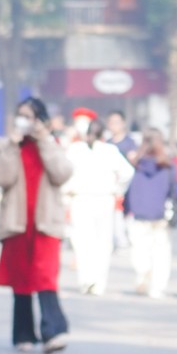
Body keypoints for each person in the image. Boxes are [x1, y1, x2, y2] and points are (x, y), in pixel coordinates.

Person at [0, 97, 73, 353]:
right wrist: (13, 145)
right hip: (17, 223)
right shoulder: (5, 146)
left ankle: (54, 331)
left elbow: (62, 173)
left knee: (45, 276)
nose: (24, 121)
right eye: (21, 115)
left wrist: (44, 139)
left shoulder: (51, 144)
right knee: (21, 280)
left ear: (40, 120)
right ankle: (23, 334)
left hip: (45, 223)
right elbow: (1, 177)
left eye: (29, 116)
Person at [62, 111, 134, 296]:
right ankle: (98, 282)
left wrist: (68, 189)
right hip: (103, 199)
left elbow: (64, 172)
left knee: (83, 241)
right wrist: (118, 189)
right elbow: (128, 173)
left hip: (82, 199)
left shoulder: (75, 149)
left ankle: (86, 280)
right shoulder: (110, 150)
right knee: (102, 242)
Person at [123, 129, 177, 298]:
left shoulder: (135, 165)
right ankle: (158, 286)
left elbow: (128, 189)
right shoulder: (168, 166)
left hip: (139, 212)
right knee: (161, 251)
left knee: (140, 248)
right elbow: (174, 191)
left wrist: (127, 209)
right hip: (160, 213)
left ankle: (143, 272)